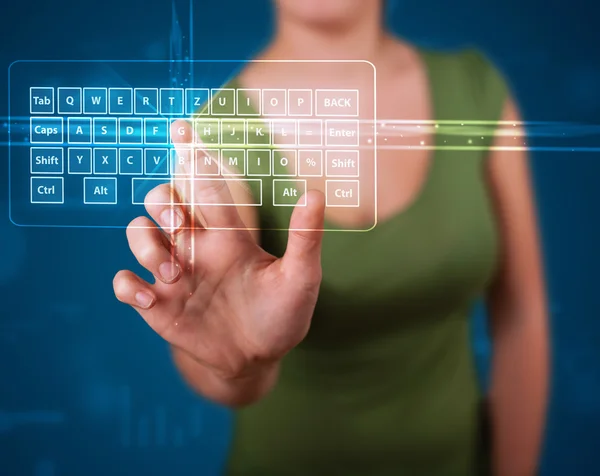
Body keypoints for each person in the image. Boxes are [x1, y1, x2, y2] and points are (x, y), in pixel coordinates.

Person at [113, 0, 549, 474]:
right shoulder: (218, 134)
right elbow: (227, 361)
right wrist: (234, 362)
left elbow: (521, 315)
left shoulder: (475, 90)